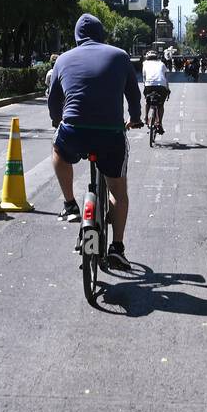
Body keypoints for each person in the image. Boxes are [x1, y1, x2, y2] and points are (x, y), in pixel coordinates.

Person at [47, 14, 143, 271]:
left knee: (58, 150)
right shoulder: (120, 56)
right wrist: (135, 118)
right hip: (110, 134)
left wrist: (58, 120)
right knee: (118, 193)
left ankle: (69, 204)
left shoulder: (63, 59)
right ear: (102, 35)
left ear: (77, 37)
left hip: (74, 132)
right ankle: (118, 248)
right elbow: (134, 95)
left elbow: (54, 101)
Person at [140, 48, 170, 134]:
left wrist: (146, 86)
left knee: (147, 100)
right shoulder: (162, 64)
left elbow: (144, 78)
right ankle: (159, 122)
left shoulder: (144, 63)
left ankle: (145, 117)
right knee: (161, 105)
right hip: (161, 86)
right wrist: (167, 89)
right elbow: (165, 77)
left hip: (149, 85)